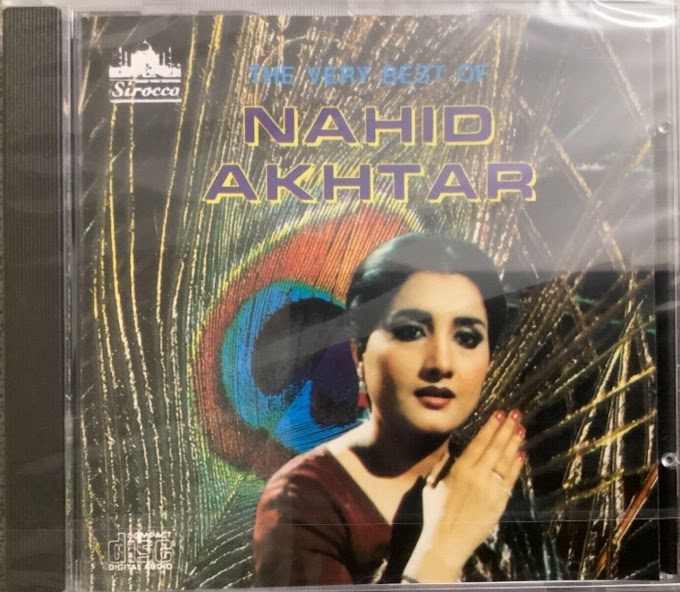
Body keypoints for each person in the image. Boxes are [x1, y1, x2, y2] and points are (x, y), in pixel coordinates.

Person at [252, 233, 528, 585]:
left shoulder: (493, 479)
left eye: (467, 338)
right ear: (359, 352)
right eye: (411, 332)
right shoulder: (302, 501)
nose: (441, 363)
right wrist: (442, 552)